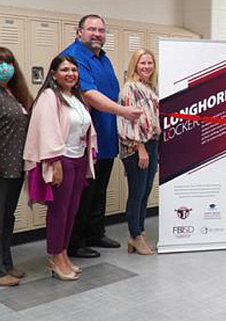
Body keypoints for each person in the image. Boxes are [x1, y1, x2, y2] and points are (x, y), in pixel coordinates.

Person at [62, 14, 142, 259]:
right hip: (84, 140)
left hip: (106, 139)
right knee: (83, 193)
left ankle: (95, 232)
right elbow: (89, 93)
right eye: (91, 29)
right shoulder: (73, 56)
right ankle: (75, 242)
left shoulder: (103, 58)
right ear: (79, 32)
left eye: (101, 30)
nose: (97, 34)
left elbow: (113, 92)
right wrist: (124, 112)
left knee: (99, 189)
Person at [24, 55, 96, 280]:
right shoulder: (49, 96)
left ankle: (63, 254)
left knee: (72, 210)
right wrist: (54, 163)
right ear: (53, 74)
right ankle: (55, 257)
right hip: (60, 159)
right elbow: (47, 130)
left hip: (78, 158)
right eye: (65, 69)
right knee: (59, 211)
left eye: (74, 70)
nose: (71, 74)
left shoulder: (75, 97)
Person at [0, 47, 33, 286]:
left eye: (7, 62)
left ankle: (5, 263)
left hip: (15, 166)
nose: (3, 67)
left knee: (6, 218)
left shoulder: (13, 93)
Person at [117, 49, 160, 255]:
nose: (146, 67)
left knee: (145, 192)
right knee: (137, 193)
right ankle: (135, 235)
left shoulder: (150, 87)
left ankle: (139, 233)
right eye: (142, 63)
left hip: (152, 144)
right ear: (135, 65)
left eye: (150, 63)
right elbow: (126, 120)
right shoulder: (130, 88)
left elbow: (149, 116)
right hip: (136, 147)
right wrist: (140, 147)